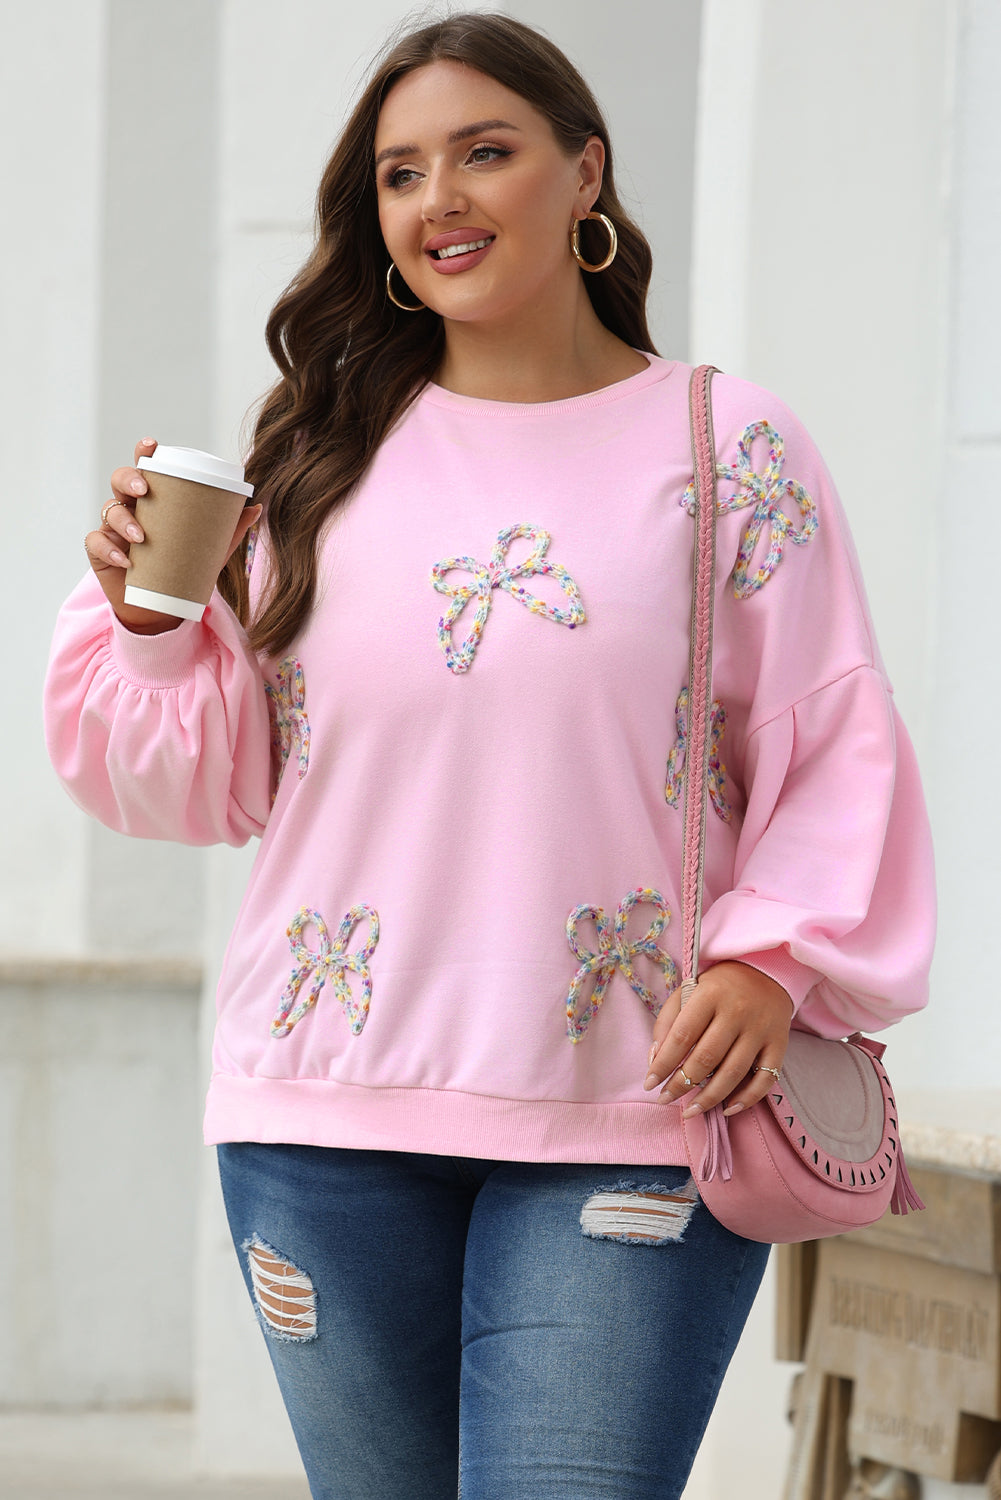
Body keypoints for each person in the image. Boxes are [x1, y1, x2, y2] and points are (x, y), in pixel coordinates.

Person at [44, 13, 935, 1499]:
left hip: (637, 1106)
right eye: (401, 173)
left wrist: (770, 963)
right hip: (322, 1114)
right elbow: (201, 784)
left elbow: (833, 738)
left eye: (484, 152)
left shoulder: (728, 447)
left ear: (585, 172)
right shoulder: (310, 464)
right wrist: (147, 624)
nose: (439, 198)